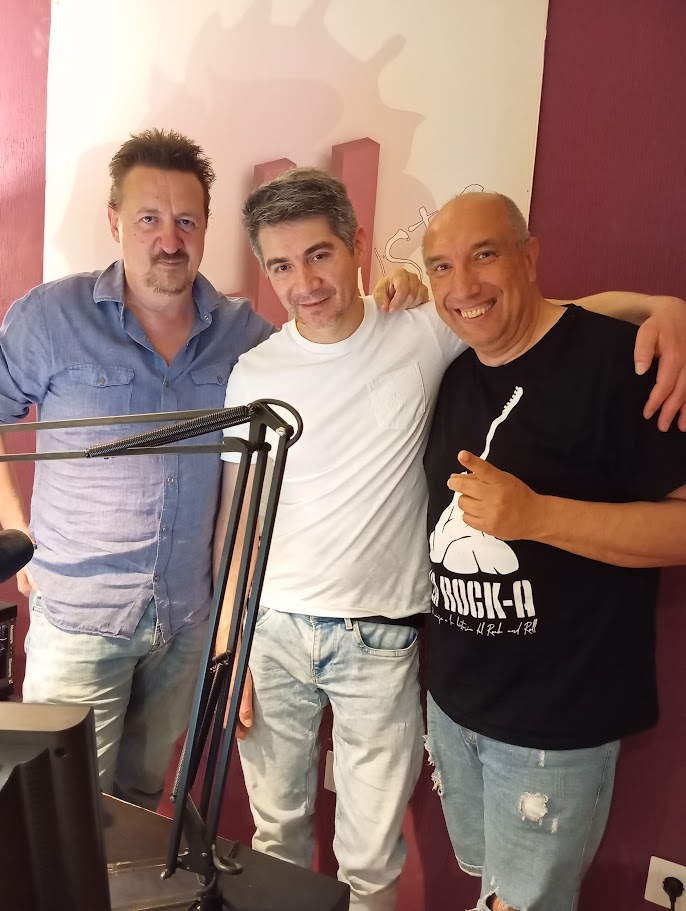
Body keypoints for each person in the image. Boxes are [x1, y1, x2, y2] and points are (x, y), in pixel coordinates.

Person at [214, 168, 686, 911]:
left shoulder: (424, 328)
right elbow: (242, 516)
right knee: (275, 840)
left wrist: (664, 308)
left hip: (382, 641)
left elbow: (554, 317)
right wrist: (228, 638)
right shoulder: (255, 372)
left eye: (319, 254)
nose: (303, 282)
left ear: (356, 244)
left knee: (371, 860)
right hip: (274, 632)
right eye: (280, 265)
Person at [420, 191, 686, 911]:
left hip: (555, 727)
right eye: (441, 266)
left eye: (484, 254)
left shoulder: (619, 362)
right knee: (489, 887)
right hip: (455, 708)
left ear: (529, 257)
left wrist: (537, 516)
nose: (462, 285)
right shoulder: (455, 369)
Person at [0, 129, 273, 809]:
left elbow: (326, 355)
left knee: (140, 808)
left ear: (205, 227)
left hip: (186, 623)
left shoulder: (244, 334)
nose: (169, 240)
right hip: (79, 620)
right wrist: (17, 530)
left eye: (186, 221)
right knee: (59, 818)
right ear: (116, 221)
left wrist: (391, 295)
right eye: (149, 219)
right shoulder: (50, 317)